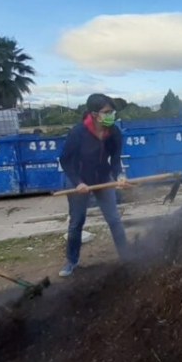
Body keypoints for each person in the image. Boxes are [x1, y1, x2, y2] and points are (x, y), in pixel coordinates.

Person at [58, 94, 130, 277]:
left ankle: (127, 257)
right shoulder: (78, 132)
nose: (111, 115)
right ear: (94, 114)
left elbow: (115, 160)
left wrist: (119, 175)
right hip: (79, 180)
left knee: (114, 219)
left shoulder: (114, 132)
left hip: (103, 178)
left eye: (112, 111)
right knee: (76, 222)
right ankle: (71, 261)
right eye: (106, 112)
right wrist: (78, 183)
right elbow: (65, 161)